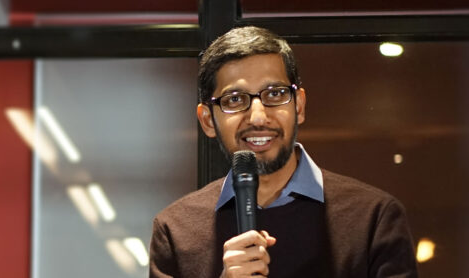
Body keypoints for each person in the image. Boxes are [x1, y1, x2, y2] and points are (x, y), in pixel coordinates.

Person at [149, 26, 418, 278]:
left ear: (299, 106)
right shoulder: (175, 231)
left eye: (275, 94)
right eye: (234, 100)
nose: (257, 116)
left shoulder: (374, 217)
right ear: (208, 120)